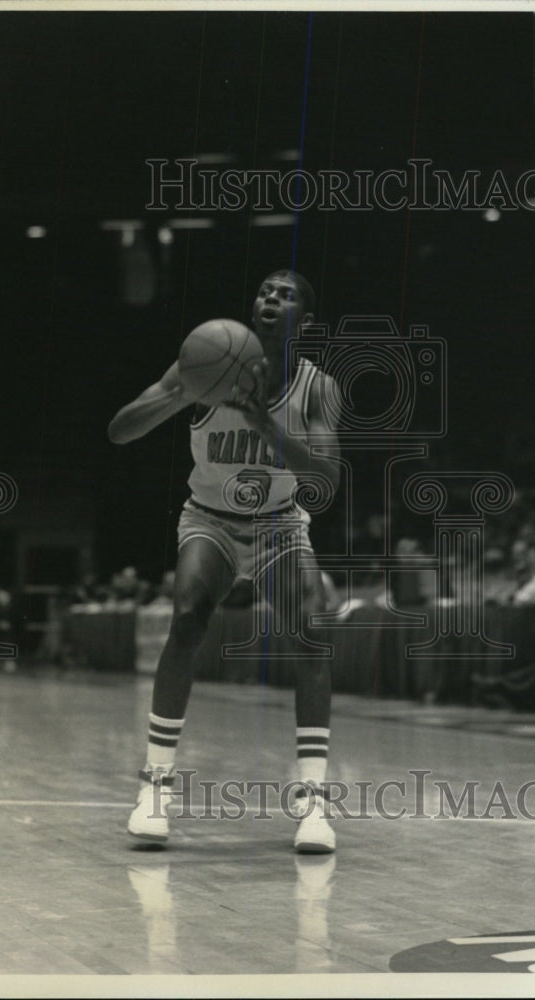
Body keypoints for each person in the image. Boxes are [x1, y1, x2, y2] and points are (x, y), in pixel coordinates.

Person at [108, 270, 341, 852]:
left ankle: (313, 806)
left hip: (279, 524)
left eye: (286, 295)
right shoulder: (201, 361)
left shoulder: (317, 387)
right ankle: (155, 791)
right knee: (187, 616)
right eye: (265, 291)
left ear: (303, 323)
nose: (271, 299)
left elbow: (327, 475)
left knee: (313, 632)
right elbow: (119, 431)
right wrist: (179, 395)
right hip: (209, 518)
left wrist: (267, 427)